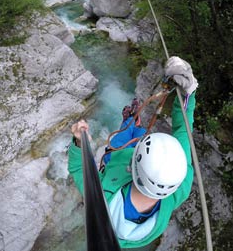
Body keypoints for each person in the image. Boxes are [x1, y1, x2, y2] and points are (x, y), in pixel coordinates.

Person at [68, 56, 198, 249]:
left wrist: (79, 141)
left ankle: (130, 118)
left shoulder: (101, 201)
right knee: (138, 133)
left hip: (116, 157)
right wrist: (188, 93)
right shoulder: (179, 184)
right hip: (133, 161)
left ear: (133, 167)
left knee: (125, 135)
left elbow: (78, 168)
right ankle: (134, 121)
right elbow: (184, 131)